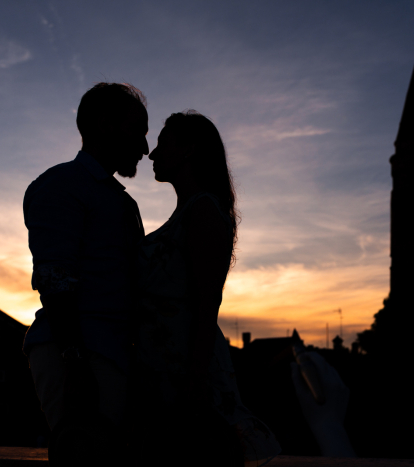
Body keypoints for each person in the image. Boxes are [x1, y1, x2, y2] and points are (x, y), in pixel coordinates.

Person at [133, 111, 281, 467]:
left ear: (188, 149)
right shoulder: (189, 211)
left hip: (184, 370)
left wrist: (195, 380)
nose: (152, 154)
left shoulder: (203, 212)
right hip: (165, 368)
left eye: (163, 143)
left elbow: (206, 302)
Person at [22, 82, 149, 464]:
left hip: (108, 354)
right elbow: (55, 279)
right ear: (105, 124)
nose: (144, 148)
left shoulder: (121, 202)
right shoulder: (61, 186)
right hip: (79, 358)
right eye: (137, 131)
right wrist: (75, 367)